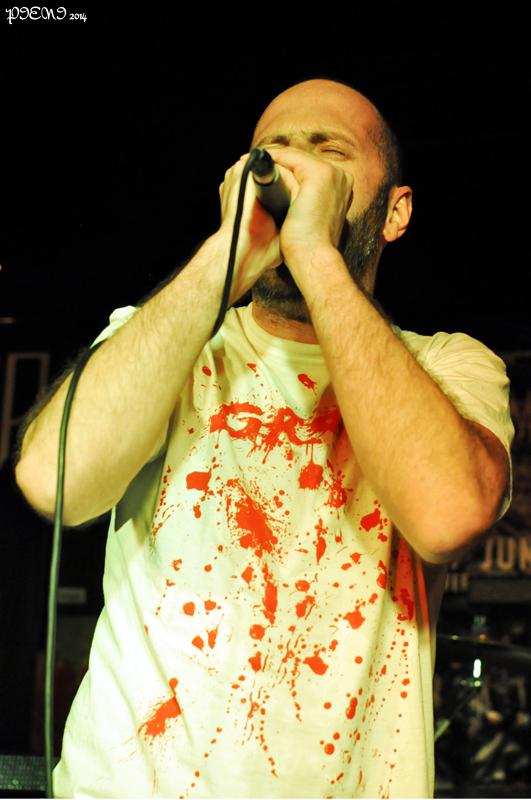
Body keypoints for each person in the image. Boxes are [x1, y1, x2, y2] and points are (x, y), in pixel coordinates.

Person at [15, 79, 514, 798]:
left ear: (395, 211)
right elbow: (54, 483)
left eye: (327, 151)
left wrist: (316, 255)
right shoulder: (166, 342)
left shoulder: (447, 366)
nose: (292, 168)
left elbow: (446, 514)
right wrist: (228, 254)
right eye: (272, 150)